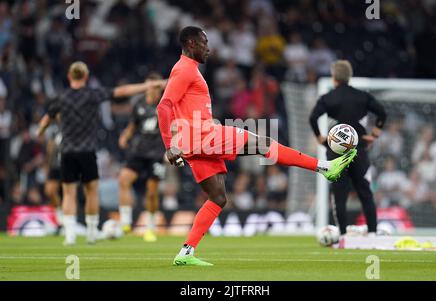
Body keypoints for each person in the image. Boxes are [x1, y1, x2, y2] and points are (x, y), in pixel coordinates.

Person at [156, 26, 357, 266]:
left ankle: (186, 253)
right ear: (190, 44)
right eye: (203, 43)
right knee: (262, 143)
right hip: (202, 136)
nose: (208, 48)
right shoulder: (185, 70)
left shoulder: (188, 70)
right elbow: (163, 106)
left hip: (195, 141)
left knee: (218, 197)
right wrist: (170, 145)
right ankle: (325, 167)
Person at [37, 61, 165, 246]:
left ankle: (70, 236)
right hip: (89, 151)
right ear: (86, 77)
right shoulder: (93, 94)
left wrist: (40, 131)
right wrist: (146, 86)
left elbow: (46, 119)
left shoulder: (61, 97)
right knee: (94, 191)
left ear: (69, 76)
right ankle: (93, 232)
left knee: (69, 193)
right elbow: (122, 92)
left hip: (67, 152)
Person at [309, 60, 387, 237]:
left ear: (334, 77)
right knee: (364, 190)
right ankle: (373, 232)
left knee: (339, 193)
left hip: (335, 150)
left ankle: (342, 235)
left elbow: (313, 118)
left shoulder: (328, 98)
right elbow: (382, 112)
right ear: (349, 76)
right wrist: (374, 134)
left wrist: (320, 138)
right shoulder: (362, 96)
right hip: (358, 147)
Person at [118, 72, 166, 242]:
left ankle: (150, 228)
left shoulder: (166, 105)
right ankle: (125, 223)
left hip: (157, 153)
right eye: (148, 88)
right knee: (124, 179)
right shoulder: (138, 104)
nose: (151, 91)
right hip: (138, 151)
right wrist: (125, 136)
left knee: (152, 192)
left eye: (154, 88)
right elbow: (133, 125)